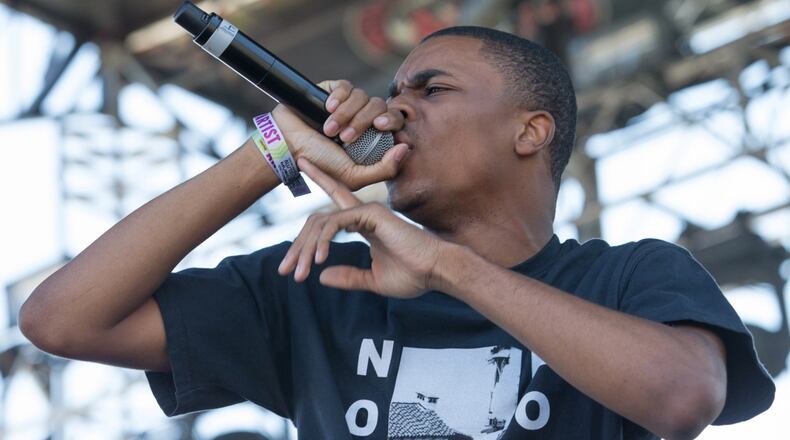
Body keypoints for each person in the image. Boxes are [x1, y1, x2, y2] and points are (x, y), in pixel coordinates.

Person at [19, 26, 774, 439]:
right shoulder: (318, 286)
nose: (393, 110)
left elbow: (684, 399)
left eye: (431, 90)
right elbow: (60, 319)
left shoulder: (628, 277)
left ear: (530, 131)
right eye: (391, 93)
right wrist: (269, 150)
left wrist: (450, 268)